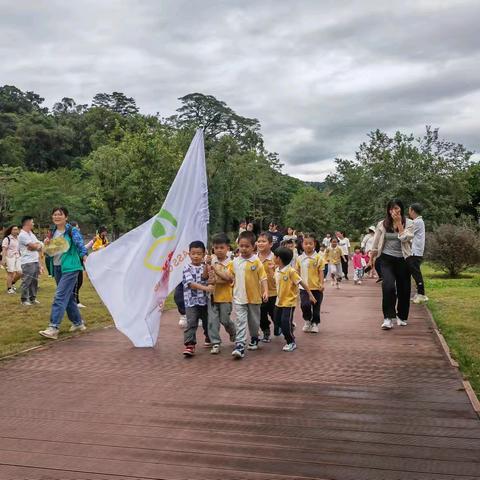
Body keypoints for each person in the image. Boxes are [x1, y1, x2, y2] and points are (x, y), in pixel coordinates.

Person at [216, 231, 268, 359]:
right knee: (240, 321)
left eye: (247, 246)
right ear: (238, 245)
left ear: (253, 246)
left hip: (255, 298)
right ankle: (240, 345)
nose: (243, 249)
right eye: (241, 246)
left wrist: (265, 291)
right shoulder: (235, 262)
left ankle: (254, 337)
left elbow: (263, 278)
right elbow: (229, 276)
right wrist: (216, 270)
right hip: (239, 298)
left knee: (254, 322)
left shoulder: (256, 262)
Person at [38, 208, 88, 339]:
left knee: (60, 296)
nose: (57, 217)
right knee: (69, 297)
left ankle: (53, 327)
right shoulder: (52, 232)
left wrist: (84, 256)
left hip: (71, 267)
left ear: (66, 217)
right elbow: (51, 250)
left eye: (60, 214)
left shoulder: (72, 230)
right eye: (54, 214)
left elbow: (80, 245)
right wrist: (47, 244)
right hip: (57, 267)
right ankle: (78, 323)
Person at [370, 199, 414, 330]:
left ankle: (402, 316)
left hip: (403, 259)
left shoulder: (410, 223)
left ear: (401, 209)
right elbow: (376, 243)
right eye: (392, 208)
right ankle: (388, 318)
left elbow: (406, 238)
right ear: (389, 210)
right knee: (388, 286)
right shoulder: (382, 224)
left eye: (397, 208)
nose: (395, 211)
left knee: (404, 289)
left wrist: (399, 223)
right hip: (386, 259)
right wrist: (371, 259)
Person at [274, 247, 317, 352]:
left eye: (274, 256)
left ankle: (291, 342)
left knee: (284, 323)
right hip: (278, 301)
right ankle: (291, 325)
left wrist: (310, 294)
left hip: (289, 302)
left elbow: (302, 282)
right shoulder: (277, 270)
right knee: (277, 321)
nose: (273, 258)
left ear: (278, 258)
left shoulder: (291, 271)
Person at [181, 241, 215, 357]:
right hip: (191, 302)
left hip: (204, 301)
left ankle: (209, 337)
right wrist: (206, 288)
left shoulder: (203, 266)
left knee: (207, 322)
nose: (196, 256)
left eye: (199, 254)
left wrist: (207, 264)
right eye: (193, 253)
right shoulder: (187, 267)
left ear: (203, 254)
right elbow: (191, 284)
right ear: (189, 254)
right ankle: (190, 345)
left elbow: (205, 276)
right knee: (191, 323)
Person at [207, 234, 236, 354]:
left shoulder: (231, 263)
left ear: (227, 248)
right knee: (212, 321)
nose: (219, 250)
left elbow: (228, 278)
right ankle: (215, 343)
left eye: (221, 247)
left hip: (225, 297)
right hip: (212, 297)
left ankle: (233, 331)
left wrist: (215, 270)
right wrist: (208, 266)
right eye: (216, 247)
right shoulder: (210, 261)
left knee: (225, 320)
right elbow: (209, 278)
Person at [295, 233, 325, 333]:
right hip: (304, 288)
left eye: (310, 243)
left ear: (314, 244)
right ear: (302, 245)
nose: (308, 245)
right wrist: (296, 284)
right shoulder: (299, 258)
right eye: (306, 243)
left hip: (316, 288)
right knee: (305, 305)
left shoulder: (319, 258)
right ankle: (307, 320)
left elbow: (321, 271)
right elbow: (297, 272)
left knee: (316, 306)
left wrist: (321, 283)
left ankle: (315, 323)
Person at [18, 216, 43, 306]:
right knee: (27, 280)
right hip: (27, 261)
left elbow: (39, 244)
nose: (33, 224)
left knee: (34, 280)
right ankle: (24, 299)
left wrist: (36, 246)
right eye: (32, 222)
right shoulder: (22, 235)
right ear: (27, 223)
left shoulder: (31, 234)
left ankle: (33, 298)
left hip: (35, 259)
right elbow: (33, 246)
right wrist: (35, 246)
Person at [257, 232, 277, 341]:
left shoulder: (275, 258)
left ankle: (280, 326)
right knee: (261, 314)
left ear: (270, 244)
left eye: (263, 241)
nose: (260, 243)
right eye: (259, 241)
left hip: (273, 292)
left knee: (275, 314)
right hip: (258, 293)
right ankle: (265, 330)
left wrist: (273, 269)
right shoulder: (254, 258)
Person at [407, 203, 428, 304]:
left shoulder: (417, 222)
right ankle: (419, 293)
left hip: (416, 251)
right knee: (414, 273)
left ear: (413, 211)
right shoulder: (418, 221)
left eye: (409, 210)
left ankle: (422, 294)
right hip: (415, 250)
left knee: (416, 273)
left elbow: (408, 233)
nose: (408, 212)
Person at [69, 221, 86, 308]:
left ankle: (74, 300)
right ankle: (75, 301)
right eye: (77, 227)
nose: (78, 229)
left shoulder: (77, 238)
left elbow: (82, 248)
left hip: (78, 263)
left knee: (79, 282)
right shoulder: (72, 237)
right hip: (74, 264)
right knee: (76, 283)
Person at [1, 225, 22, 294]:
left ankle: (12, 283)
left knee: (20, 272)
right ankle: (9, 289)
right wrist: (3, 259)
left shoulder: (19, 238)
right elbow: (4, 249)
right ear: (11, 230)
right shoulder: (7, 239)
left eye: (17, 229)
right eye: (14, 229)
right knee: (11, 273)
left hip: (18, 257)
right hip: (9, 257)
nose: (16, 231)